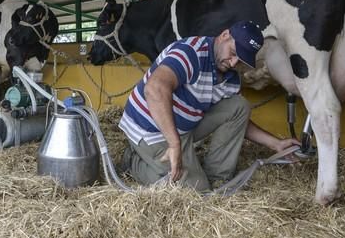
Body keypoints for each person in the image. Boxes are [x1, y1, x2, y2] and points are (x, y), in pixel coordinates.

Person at [119, 21, 298, 191]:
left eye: (241, 59)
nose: (234, 63)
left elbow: (238, 120)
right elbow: (155, 89)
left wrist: (276, 144)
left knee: (239, 106)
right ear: (224, 35)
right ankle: (134, 161)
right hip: (150, 128)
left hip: (184, 128)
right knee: (193, 192)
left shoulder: (231, 77)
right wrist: (174, 144)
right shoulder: (191, 52)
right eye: (234, 52)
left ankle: (216, 176)